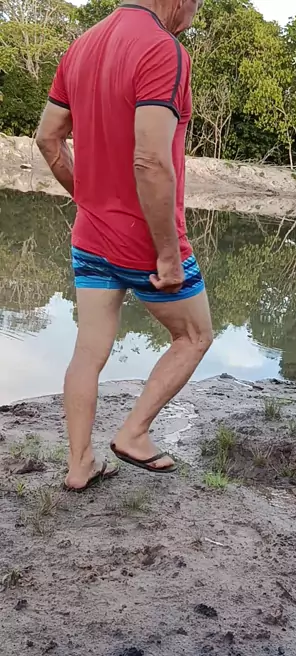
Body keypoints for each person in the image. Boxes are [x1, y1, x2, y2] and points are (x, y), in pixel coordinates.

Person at [36, 0, 212, 492]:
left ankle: (79, 466)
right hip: (144, 241)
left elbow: (48, 139)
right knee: (195, 336)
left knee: (88, 350)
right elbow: (151, 161)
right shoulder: (163, 49)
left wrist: (88, 201)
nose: (195, 12)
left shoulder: (81, 47)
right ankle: (134, 434)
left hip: (90, 236)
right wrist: (167, 254)